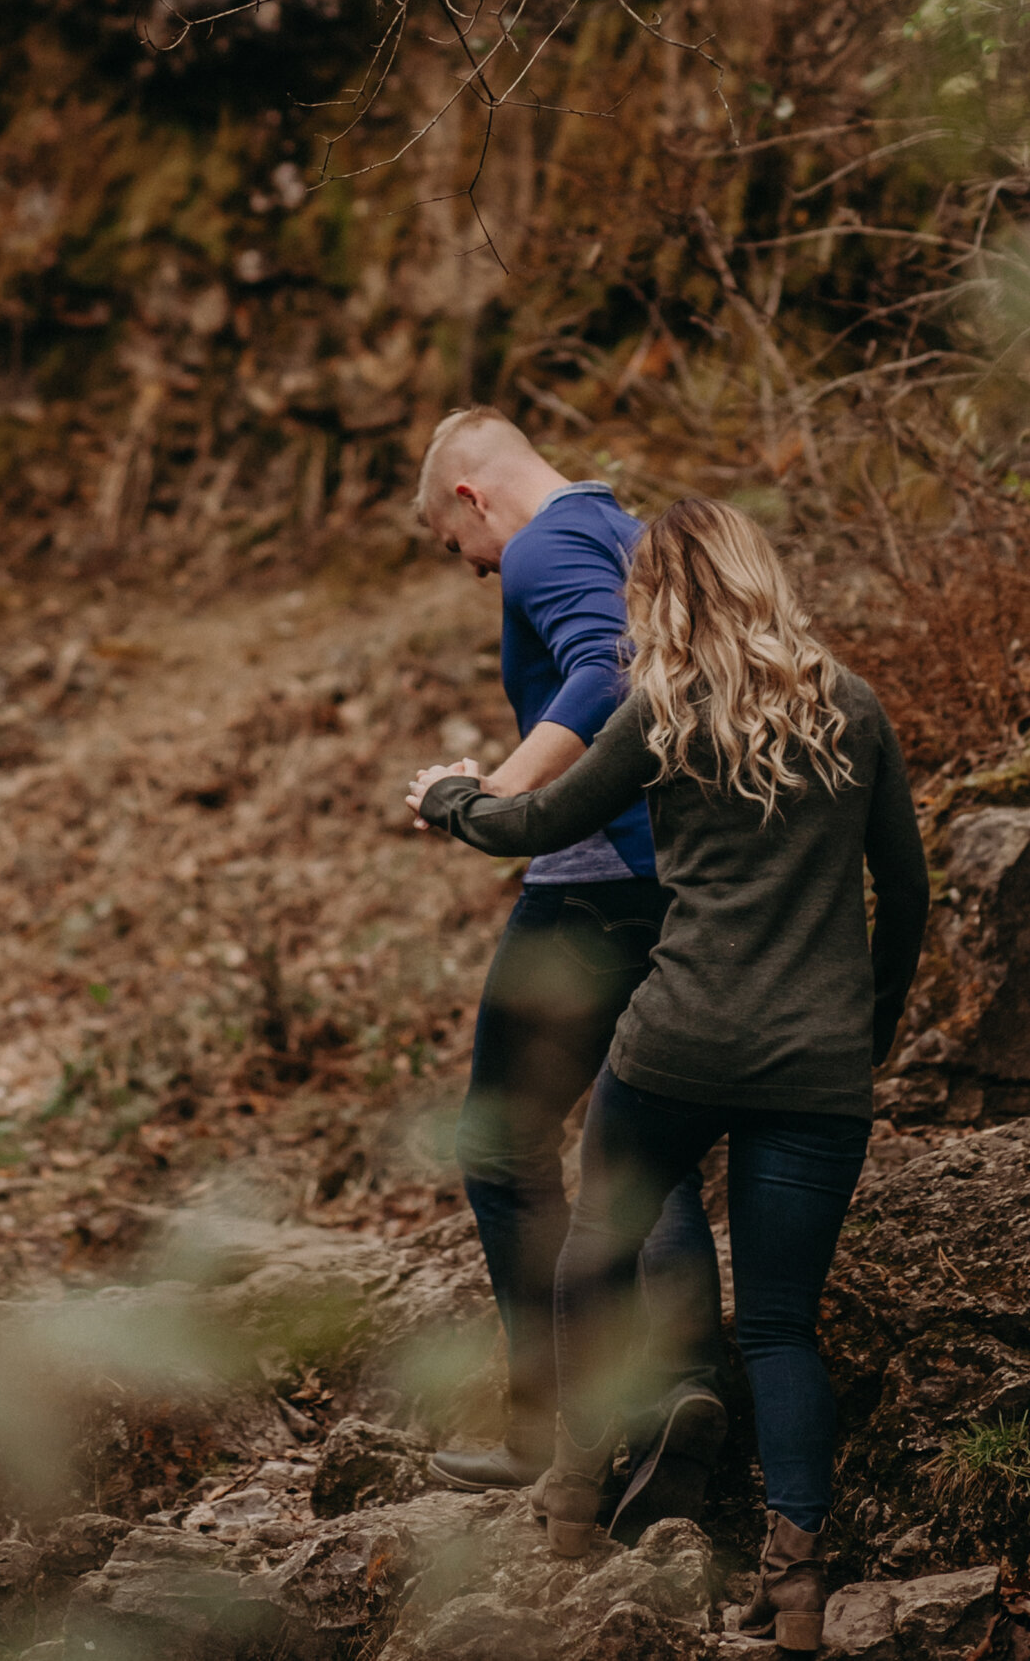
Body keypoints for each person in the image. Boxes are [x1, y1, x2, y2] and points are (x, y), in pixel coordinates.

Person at [409, 496, 928, 1655]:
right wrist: (867, 1027)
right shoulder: (854, 707)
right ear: (759, 574)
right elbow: (907, 895)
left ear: (665, 594)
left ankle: (571, 1507)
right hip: (817, 1069)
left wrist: (449, 794)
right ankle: (796, 1591)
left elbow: (534, 821)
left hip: (674, 1049)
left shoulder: (666, 710)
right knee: (781, 1329)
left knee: (596, 1248)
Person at [410, 410, 729, 1528]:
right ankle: (687, 1391)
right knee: (646, 1145)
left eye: (467, 559)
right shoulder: (629, 529)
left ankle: (551, 1423)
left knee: (499, 1147)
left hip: (594, 888)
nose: (480, 572)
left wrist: (498, 794)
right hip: (677, 877)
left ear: (468, 499)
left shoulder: (542, 542)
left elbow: (605, 667)